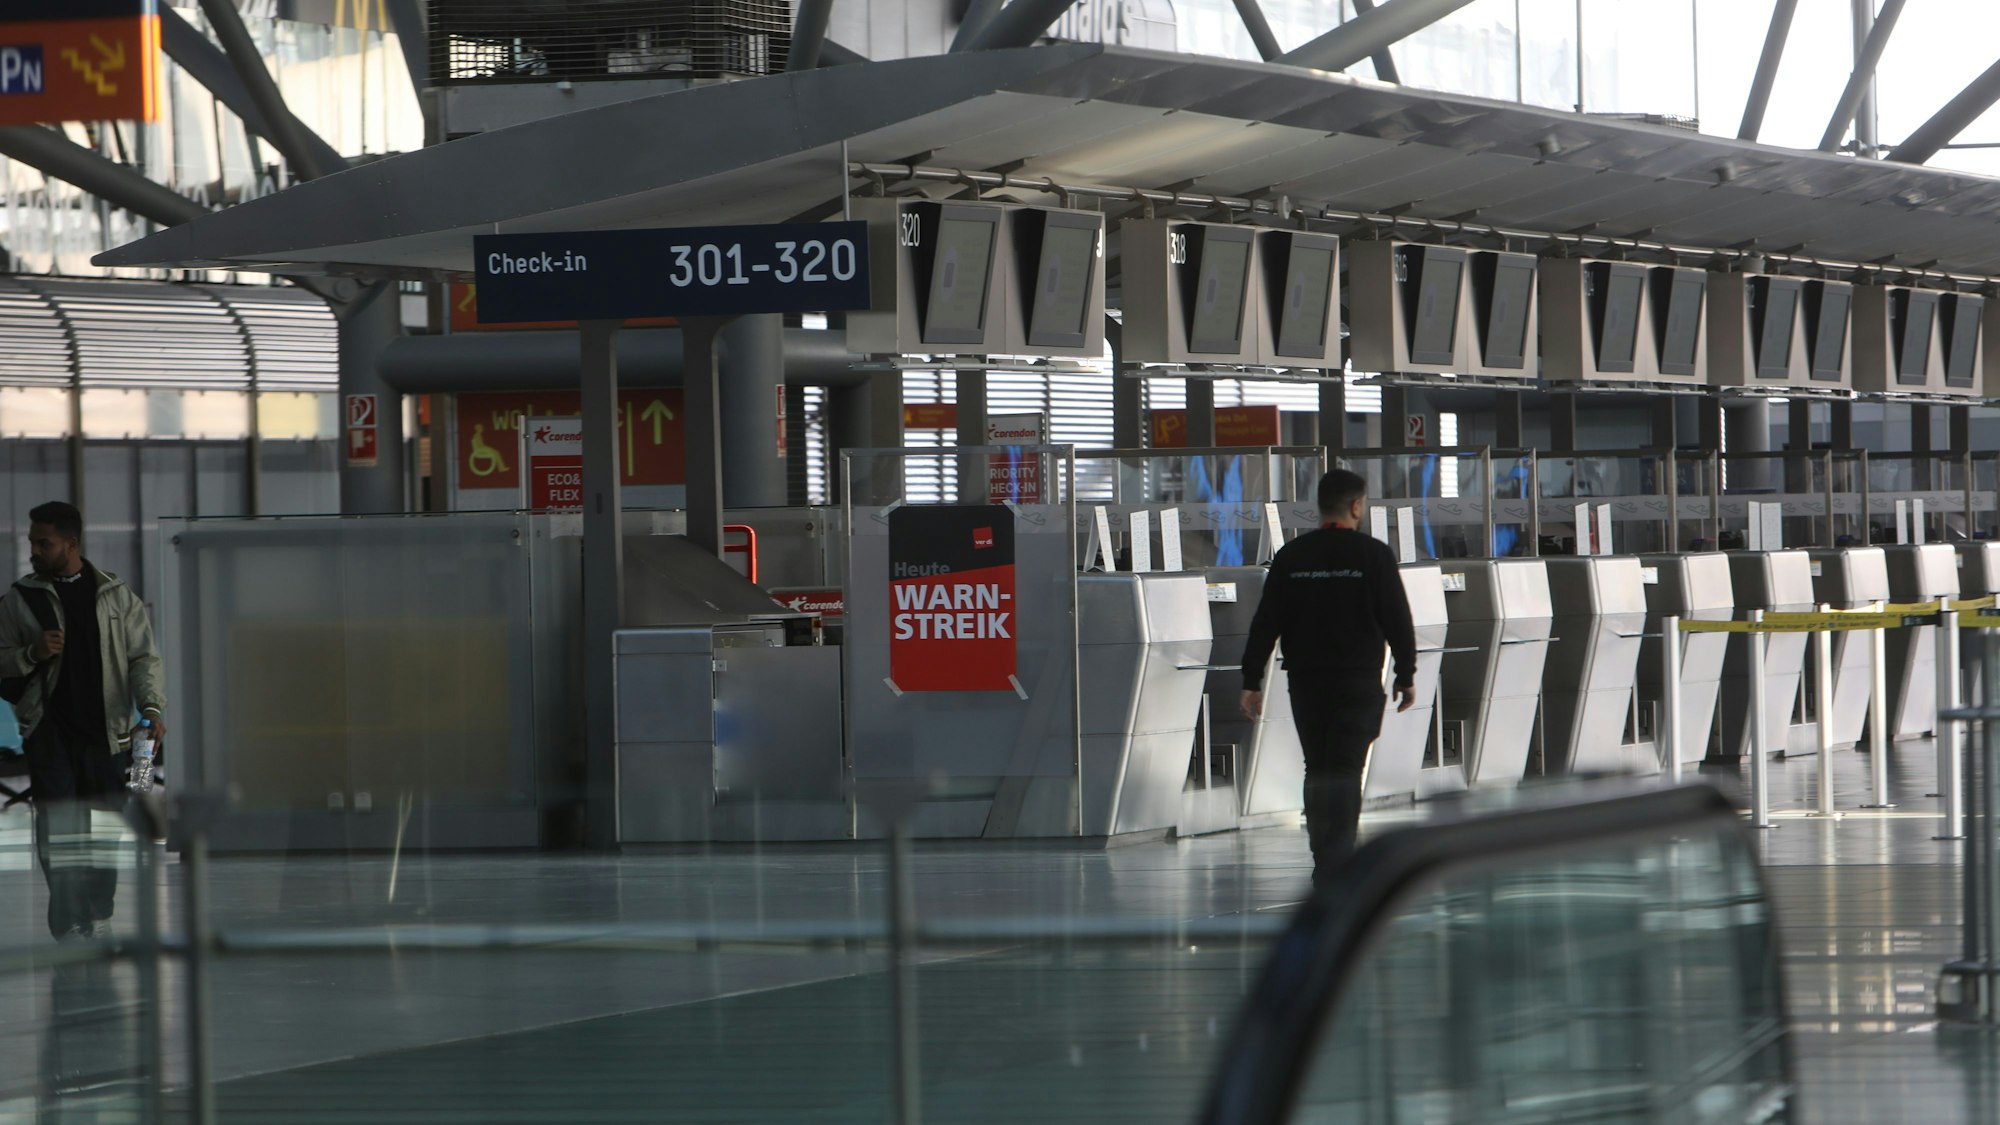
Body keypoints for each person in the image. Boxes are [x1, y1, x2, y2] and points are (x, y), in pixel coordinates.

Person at [1239, 470, 1416, 888]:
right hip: (1358, 680)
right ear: (1356, 505)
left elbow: (1266, 622)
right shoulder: (1374, 555)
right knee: (1346, 769)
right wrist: (1405, 674)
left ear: (1319, 506)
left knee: (1317, 768)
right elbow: (1397, 618)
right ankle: (1341, 860)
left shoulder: (1292, 556)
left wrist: (1251, 680)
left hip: (1307, 683)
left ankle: (1325, 860)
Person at [0, 502, 166, 941]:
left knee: (105, 829)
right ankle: (68, 923)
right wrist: (32, 653)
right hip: (49, 733)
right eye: (32, 542)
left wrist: (151, 709)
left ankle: (98, 910)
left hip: (108, 734)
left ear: (71, 544)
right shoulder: (20, 600)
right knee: (57, 830)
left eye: (44, 543)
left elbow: (143, 658)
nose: (34, 550)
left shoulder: (116, 595)